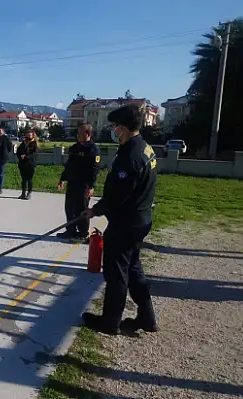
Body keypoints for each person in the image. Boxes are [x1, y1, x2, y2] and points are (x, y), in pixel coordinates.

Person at [81, 103, 159, 335]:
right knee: (133, 267)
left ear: (123, 128)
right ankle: (147, 317)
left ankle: (110, 323)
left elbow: (119, 195)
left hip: (126, 223)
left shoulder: (130, 156)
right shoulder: (144, 148)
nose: (114, 131)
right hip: (140, 219)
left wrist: (96, 210)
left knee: (116, 273)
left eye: (115, 126)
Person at [57, 123, 101, 242]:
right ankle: (70, 230)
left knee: (81, 209)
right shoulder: (74, 148)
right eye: (77, 133)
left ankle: (83, 233)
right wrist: (62, 179)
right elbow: (69, 166)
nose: (78, 135)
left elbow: (95, 169)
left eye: (80, 133)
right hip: (72, 183)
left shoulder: (93, 149)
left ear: (87, 134)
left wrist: (91, 186)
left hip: (84, 184)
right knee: (69, 208)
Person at [16, 129, 39, 199]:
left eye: (30, 135)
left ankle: (29, 193)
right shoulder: (23, 143)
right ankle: (23, 193)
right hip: (22, 164)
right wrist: (20, 155)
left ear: (32, 135)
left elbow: (35, 154)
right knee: (23, 179)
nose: (28, 136)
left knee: (29, 179)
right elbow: (18, 151)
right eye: (27, 134)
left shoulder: (34, 144)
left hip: (30, 164)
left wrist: (26, 157)